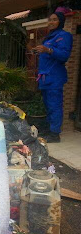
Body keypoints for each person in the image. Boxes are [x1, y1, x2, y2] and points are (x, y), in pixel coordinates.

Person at [34, 11, 73, 143]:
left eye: (54, 20)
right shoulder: (50, 37)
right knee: (48, 105)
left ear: (61, 21)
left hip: (54, 77)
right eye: (50, 20)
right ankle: (50, 129)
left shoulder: (64, 36)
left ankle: (55, 134)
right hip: (45, 78)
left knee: (54, 105)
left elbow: (64, 55)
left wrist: (48, 50)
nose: (51, 22)